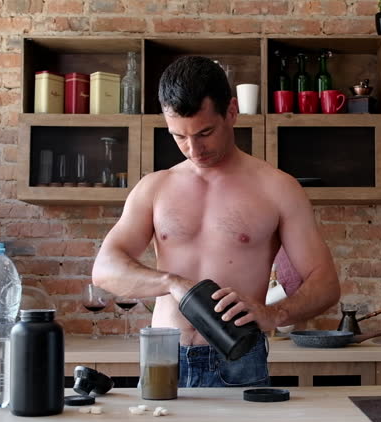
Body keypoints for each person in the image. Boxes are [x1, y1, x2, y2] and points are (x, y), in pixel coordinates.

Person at [92, 56, 339, 387]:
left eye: (205, 132)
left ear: (232, 112)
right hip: (164, 357)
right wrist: (172, 283)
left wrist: (273, 314)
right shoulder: (155, 187)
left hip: (238, 359)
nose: (193, 149)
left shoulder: (278, 188)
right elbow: (105, 269)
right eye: (179, 136)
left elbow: (325, 283)